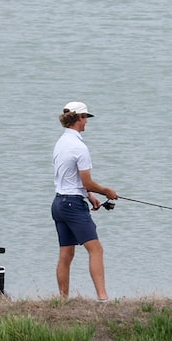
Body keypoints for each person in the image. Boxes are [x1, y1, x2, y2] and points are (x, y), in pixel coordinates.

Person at [51, 101, 119, 301]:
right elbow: (87, 181)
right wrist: (107, 191)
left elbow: (69, 178)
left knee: (66, 254)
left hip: (58, 204)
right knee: (96, 249)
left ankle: (63, 300)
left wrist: (89, 196)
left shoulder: (60, 143)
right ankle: (103, 298)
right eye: (85, 118)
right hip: (73, 206)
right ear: (79, 118)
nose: (86, 122)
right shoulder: (79, 147)